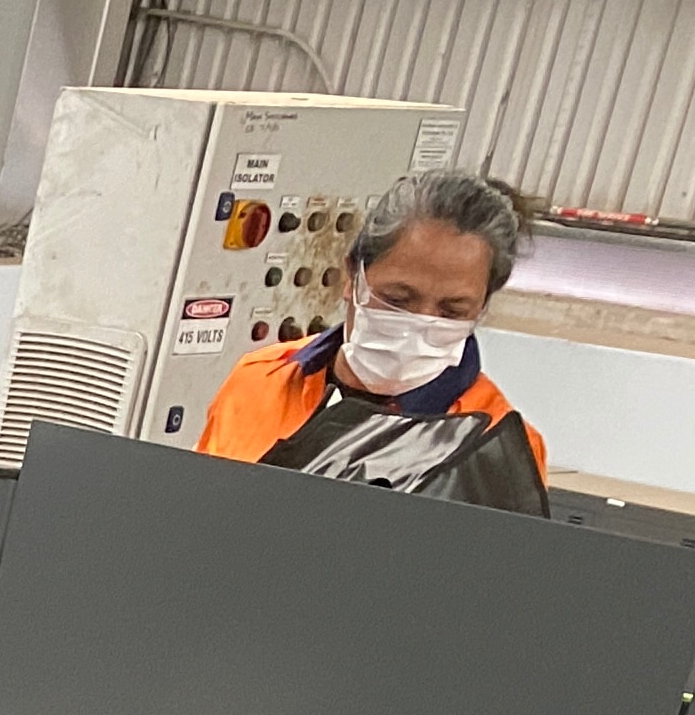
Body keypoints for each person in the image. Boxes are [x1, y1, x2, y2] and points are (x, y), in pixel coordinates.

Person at [195, 165, 548, 486]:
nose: (420, 322)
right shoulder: (260, 380)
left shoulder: (496, 447)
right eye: (397, 299)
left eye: (452, 310)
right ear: (352, 275)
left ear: (482, 307)